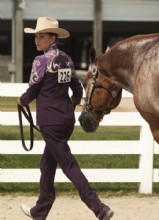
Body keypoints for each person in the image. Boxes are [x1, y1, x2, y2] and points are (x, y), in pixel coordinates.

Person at [18, 17, 114, 220]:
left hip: (50, 123)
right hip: (65, 121)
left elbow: (33, 90)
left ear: (52, 38)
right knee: (46, 164)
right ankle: (40, 211)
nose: (37, 40)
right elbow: (77, 90)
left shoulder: (41, 61)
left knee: (69, 165)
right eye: (36, 36)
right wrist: (68, 107)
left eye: (41, 36)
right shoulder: (67, 60)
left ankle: (99, 208)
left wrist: (22, 100)